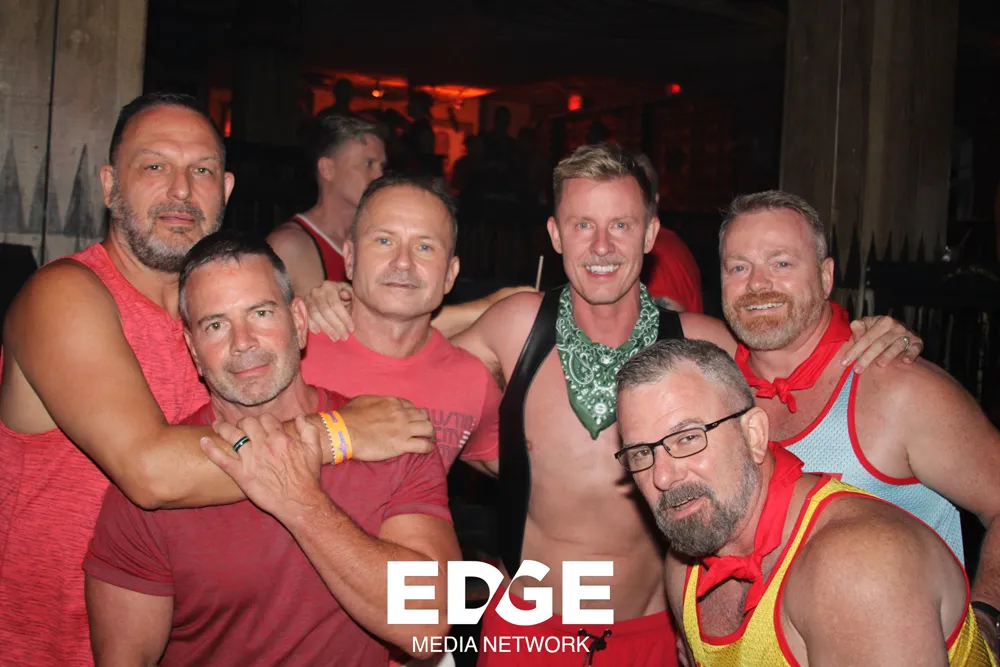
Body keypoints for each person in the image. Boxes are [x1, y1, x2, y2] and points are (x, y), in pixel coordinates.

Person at [307, 144, 920, 666]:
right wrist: (337, 303)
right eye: (582, 225)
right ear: (555, 234)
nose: (601, 246)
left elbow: (796, 371)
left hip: (655, 634)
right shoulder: (515, 326)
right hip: (528, 634)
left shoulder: (702, 342)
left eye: (621, 225)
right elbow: (410, 355)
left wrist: (862, 335)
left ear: (651, 235)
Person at [0, 92, 431, 667]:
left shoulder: (227, 327)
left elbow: (395, 332)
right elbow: (150, 470)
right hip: (50, 651)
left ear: (226, 190)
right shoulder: (65, 295)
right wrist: (341, 433)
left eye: (201, 171)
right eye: (155, 166)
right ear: (109, 184)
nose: (181, 190)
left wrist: (491, 309)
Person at [84, 233, 459, 666]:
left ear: (298, 321)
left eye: (261, 313)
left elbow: (427, 626)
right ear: (192, 349)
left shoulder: (393, 436)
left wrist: (300, 503)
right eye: (216, 325)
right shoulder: (158, 488)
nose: (242, 342)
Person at [718, 190, 1000, 652]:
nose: (758, 283)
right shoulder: (716, 395)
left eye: (782, 263)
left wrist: (988, 619)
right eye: (738, 267)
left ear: (826, 276)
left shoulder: (898, 389)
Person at [616, 338, 996, 666]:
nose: (662, 477)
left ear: (754, 435)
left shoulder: (859, 570)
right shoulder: (684, 565)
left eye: (688, 438)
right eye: (641, 453)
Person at [302, 175, 500, 477]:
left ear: (450, 274)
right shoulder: (290, 349)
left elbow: (532, 475)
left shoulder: (472, 381)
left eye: (424, 247)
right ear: (350, 258)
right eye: (384, 241)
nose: (403, 262)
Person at [269, 114, 388, 293]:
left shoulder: (380, 240)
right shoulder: (289, 246)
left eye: (382, 167)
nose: (380, 176)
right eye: (368, 164)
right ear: (328, 169)